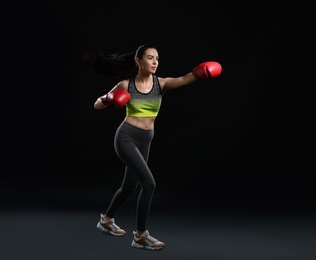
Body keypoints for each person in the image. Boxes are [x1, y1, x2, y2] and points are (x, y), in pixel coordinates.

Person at [84, 44, 222, 251]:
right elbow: (96, 104)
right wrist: (108, 99)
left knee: (130, 187)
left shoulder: (162, 84)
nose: (155, 62)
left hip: (145, 139)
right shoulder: (125, 85)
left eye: (157, 58)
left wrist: (199, 73)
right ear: (138, 61)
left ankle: (106, 219)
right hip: (126, 137)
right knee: (149, 184)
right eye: (150, 58)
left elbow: (184, 79)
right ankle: (140, 235)